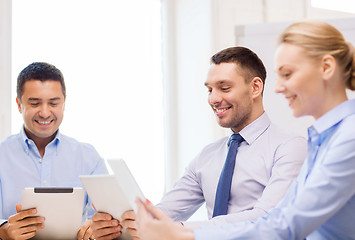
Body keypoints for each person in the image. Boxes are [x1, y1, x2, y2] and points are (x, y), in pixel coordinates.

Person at [134, 19, 355, 240]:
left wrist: (185, 234)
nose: (278, 87)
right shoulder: (321, 139)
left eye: (287, 74)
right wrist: (139, 222)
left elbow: (286, 225)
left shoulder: (347, 137)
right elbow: (278, 218)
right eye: (210, 89)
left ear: (326, 68)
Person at [91, 47, 307, 239]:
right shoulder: (208, 156)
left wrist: (182, 230)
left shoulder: (290, 147)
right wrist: (122, 222)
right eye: (210, 89)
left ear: (255, 88)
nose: (213, 99)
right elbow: (166, 211)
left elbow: (267, 217)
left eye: (224, 87)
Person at [0, 62, 114, 240]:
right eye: (35, 103)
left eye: (53, 103)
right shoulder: (2, 155)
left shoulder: (88, 157)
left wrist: (96, 228)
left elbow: (105, 218)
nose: (45, 113)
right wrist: (3, 231)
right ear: (19, 105)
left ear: (64, 104)